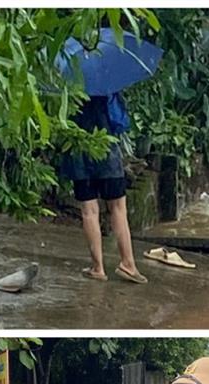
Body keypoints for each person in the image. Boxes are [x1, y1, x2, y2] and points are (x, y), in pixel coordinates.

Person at [61, 93, 147, 284]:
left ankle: (98, 268)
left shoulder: (69, 89)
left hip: (79, 154)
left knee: (89, 212)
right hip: (107, 152)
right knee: (118, 208)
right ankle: (128, 263)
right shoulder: (108, 86)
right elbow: (121, 122)